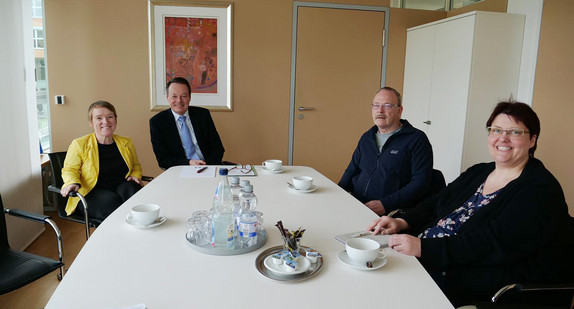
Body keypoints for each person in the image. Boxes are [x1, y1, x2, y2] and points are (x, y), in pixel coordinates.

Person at [368, 101, 574, 306]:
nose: (503, 138)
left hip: (469, 276)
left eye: (515, 132)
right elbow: (437, 201)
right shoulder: (479, 171)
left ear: (532, 140)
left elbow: (490, 244)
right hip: (426, 256)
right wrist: (403, 221)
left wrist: (424, 248)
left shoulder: (540, 189)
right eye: (496, 130)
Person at [338, 87, 433, 216]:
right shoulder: (367, 137)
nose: (380, 111)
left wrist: (386, 204)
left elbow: (420, 183)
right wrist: (338, 194)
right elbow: (351, 170)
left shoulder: (416, 139)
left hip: (390, 212)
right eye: (376, 105)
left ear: (400, 110)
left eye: (387, 106)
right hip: (357, 205)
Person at [61, 101, 143, 221]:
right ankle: (117, 237)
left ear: (115, 119)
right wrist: (72, 182)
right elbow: (70, 169)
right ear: (91, 123)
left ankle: (142, 232)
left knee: (133, 190)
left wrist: (135, 175)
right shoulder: (79, 144)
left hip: (120, 188)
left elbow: (136, 165)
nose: (105, 122)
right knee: (113, 202)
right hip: (91, 193)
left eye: (110, 116)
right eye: (99, 118)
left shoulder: (126, 142)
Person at [150, 77, 225, 169]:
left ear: (189, 97)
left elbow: (218, 148)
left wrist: (207, 165)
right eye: (174, 96)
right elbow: (163, 160)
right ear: (167, 98)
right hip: (179, 170)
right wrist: (189, 163)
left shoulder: (202, 115)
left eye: (183, 96)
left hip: (208, 166)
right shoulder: (157, 122)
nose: (179, 100)